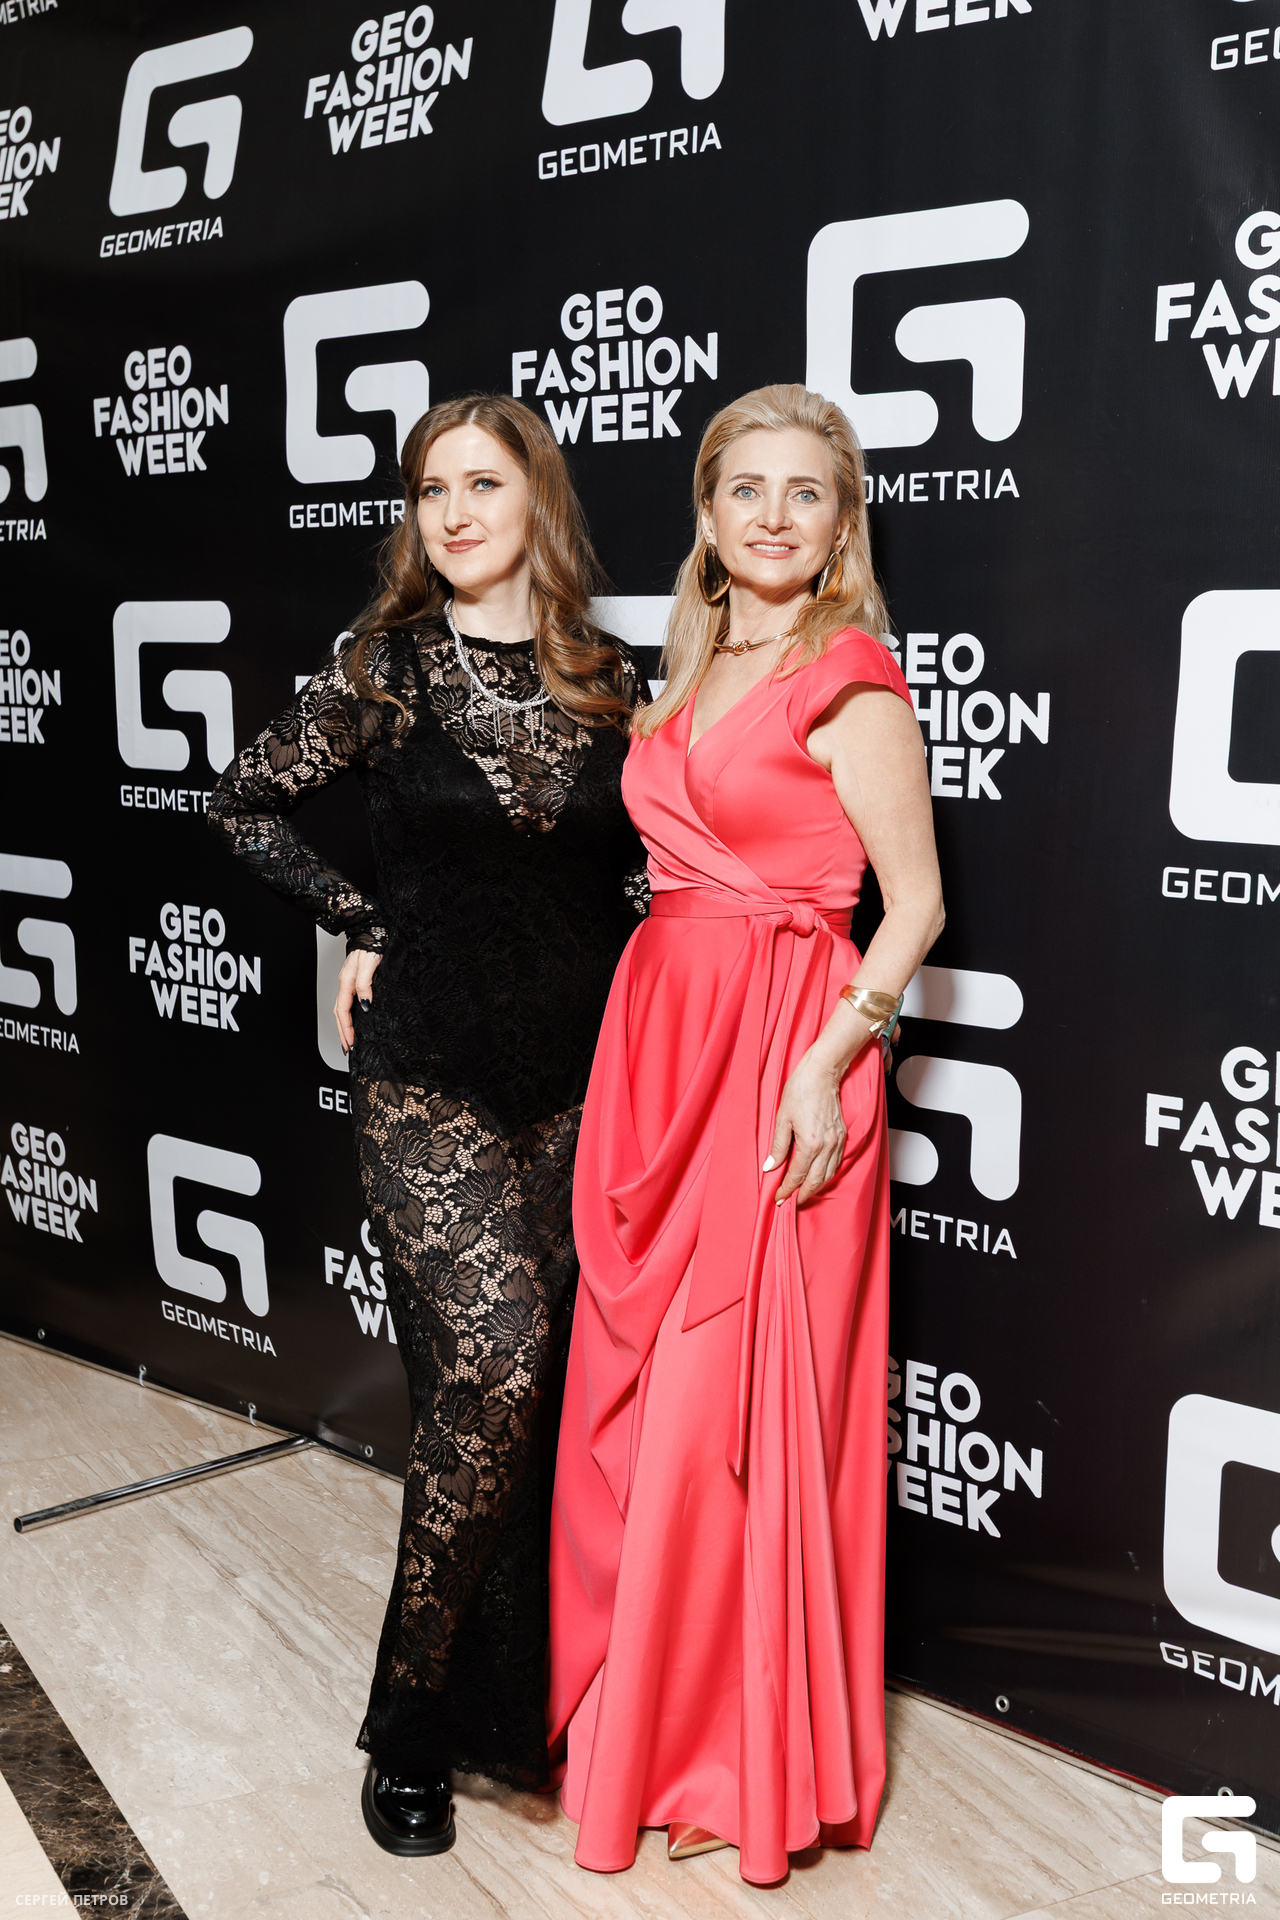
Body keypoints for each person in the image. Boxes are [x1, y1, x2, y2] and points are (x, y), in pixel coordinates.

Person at [208, 394, 647, 1858]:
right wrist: (360, 916)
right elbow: (244, 801)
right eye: (430, 490)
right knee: (496, 1372)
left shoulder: (611, 680)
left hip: (579, 1089)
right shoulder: (384, 669)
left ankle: (511, 1714)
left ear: (539, 501)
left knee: (525, 1406)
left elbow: (637, 882)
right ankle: (404, 1728)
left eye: (483, 483)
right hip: (428, 1080)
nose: (454, 512)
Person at [547, 383, 945, 1884]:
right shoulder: (692, 666)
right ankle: (645, 1728)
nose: (774, 517)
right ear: (707, 518)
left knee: (739, 1418)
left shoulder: (853, 683)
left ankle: (739, 1751)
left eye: (806, 494)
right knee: (651, 1404)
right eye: (747, 491)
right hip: (664, 1045)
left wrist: (828, 1062)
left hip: (786, 1056)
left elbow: (915, 908)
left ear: (843, 527)